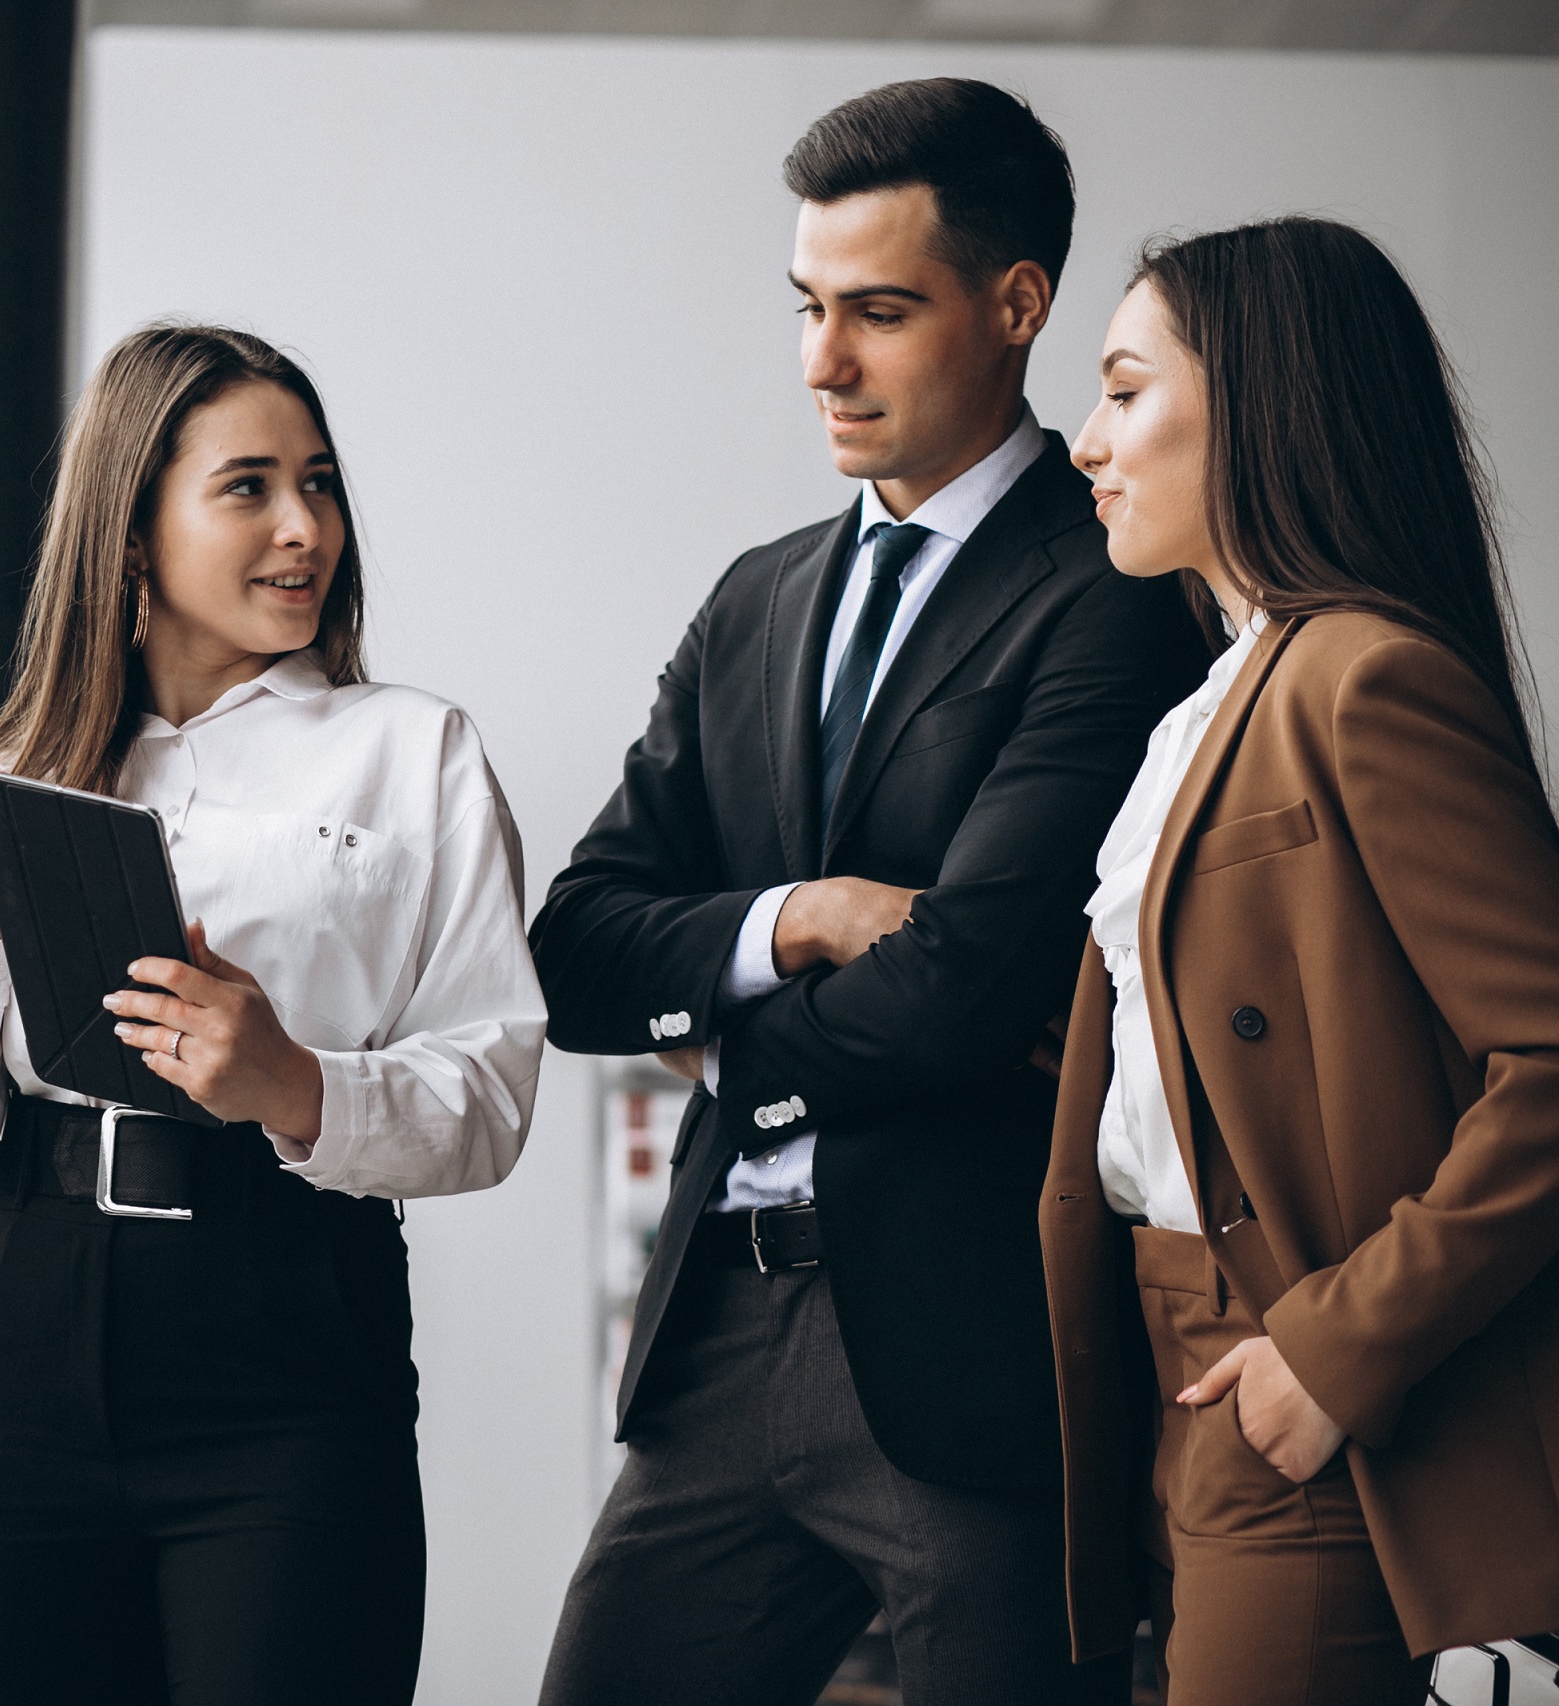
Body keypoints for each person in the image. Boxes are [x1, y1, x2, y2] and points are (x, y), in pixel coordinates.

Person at [532, 80, 1211, 1705]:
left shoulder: (1114, 597)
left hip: (970, 1354)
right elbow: (571, 950)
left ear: (1016, 304)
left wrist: (721, 1040)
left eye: (879, 313)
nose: (823, 363)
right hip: (715, 1346)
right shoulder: (757, 598)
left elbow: (972, 979)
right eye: (809, 309)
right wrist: (806, 917)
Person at [0, 322, 546, 1706]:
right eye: (249, 486)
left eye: (317, 483)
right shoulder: (14, 772)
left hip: (284, 1328)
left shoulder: (413, 750)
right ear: (131, 533)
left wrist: (289, 1082)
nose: (303, 526)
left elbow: (493, 1097)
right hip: (21, 1318)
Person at [1045, 216, 1559, 1705]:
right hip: (1165, 1360)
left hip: (1301, 1365)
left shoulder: (1364, 674)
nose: (1087, 440)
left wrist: (1336, 1348)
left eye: (1126, 390)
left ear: (1261, 401)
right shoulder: (1211, 698)